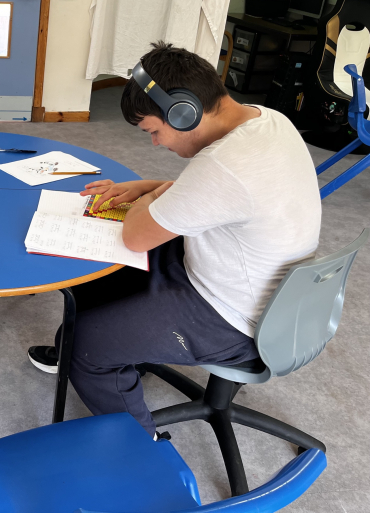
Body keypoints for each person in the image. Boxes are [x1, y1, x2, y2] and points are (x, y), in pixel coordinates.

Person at [27, 42, 321, 437]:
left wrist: (147, 200)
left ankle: (144, 448)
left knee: (87, 346)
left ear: (184, 114)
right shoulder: (266, 120)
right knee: (105, 270)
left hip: (233, 318)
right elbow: (220, 197)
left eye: (153, 131)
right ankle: (118, 342)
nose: (155, 144)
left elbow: (135, 235)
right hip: (270, 292)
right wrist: (150, 188)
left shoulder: (223, 165)